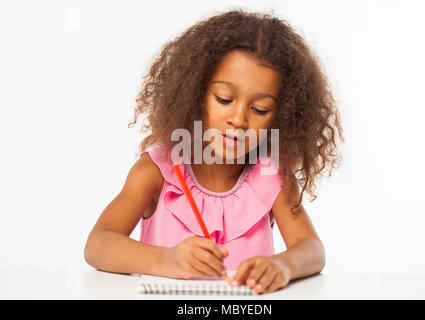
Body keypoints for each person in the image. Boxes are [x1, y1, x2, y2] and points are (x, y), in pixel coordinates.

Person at [84, 9, 344, 294]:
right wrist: (166, 260)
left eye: (259, 109)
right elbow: (98, 243)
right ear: (194, 94)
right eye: (224, 99)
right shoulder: (156, 173)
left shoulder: (273, 179)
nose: (239, 119)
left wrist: (283, 266)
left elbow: (312, 250)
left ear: (281, 117)